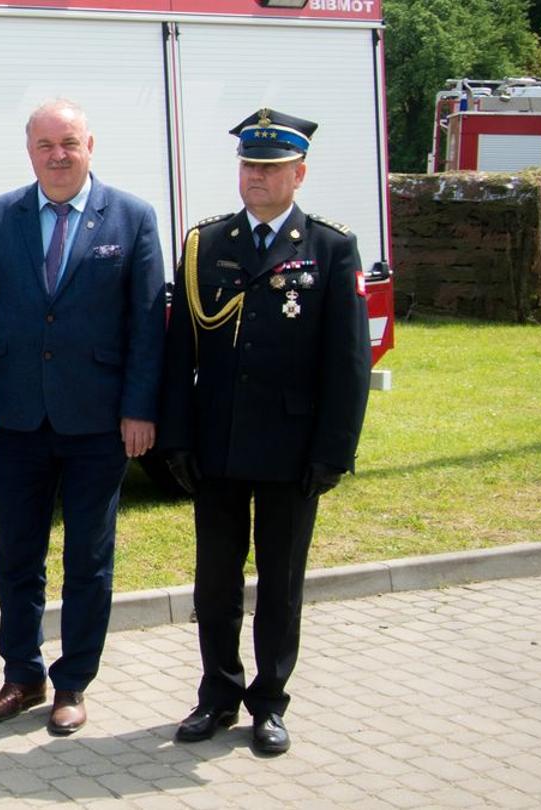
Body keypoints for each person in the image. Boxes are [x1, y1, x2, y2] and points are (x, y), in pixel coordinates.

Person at [0, 99, 165, 735]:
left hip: (99, 420)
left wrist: (140, 408)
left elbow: (147, 323)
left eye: (69, 142)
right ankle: (22, 675)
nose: (58, 155)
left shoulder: (131, 216)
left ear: (90, 145)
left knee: (88, 559)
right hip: (18, 417)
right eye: (45, 145)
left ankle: (73, 682)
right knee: (17, 553)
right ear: (30, 152)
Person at [159, 109, 370, 756]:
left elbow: (348, 362)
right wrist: (176, 438)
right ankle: (218, 695)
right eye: (250, 165)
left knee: (280, 583)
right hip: (217, 444)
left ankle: (270, 702)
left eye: (272, 168)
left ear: (298, 174)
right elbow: (180, 352)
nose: (257, 176)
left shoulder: (330, 248)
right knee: (215, 583)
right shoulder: (206, 243)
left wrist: (333, 451)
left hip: (291, 448)